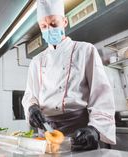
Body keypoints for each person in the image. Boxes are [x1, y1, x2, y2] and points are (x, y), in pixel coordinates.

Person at [22, 0, 116, 151]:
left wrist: (96, 129)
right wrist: (31, 107)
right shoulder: (36, 61)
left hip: (79, 131)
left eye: (54, 24)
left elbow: (101, 94)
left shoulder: (85, 50)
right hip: (46, 133)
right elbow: (30, 94)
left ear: (64, 22)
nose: (49, 30)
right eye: (44, 27)